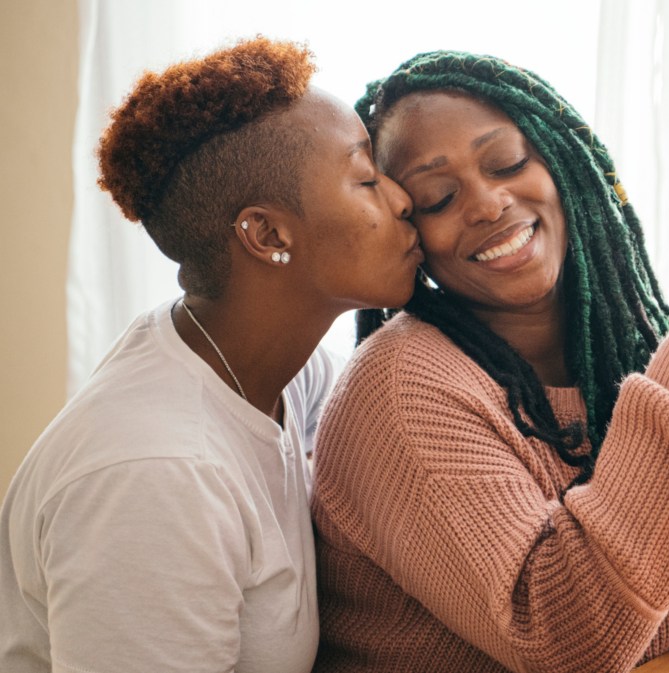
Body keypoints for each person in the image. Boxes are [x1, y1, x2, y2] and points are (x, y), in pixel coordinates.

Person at [312, 51, 669, 673]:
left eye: (506, 163)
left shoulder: (640, 350)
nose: (487, 203)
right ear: (409, 230)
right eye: (439, 197)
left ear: (564, 163)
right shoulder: (401, 387)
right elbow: (564, 643)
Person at [0, 37, 421, 673]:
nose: (401, 198)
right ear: (267, 234)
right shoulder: (158, 474)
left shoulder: (280, 369)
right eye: (365, 178)